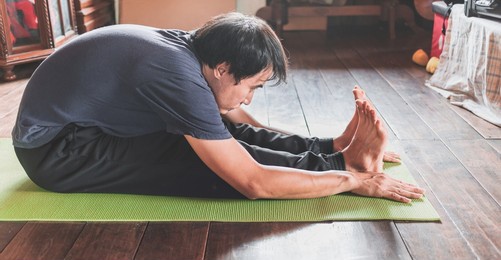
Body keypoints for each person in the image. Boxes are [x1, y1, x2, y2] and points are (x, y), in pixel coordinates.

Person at [12, 12, 425, 203]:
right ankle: (346, 163)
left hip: (82, 128)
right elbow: (254, 182)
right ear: (224, 69)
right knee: (203, 163)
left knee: (225, 131)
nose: (249, 97)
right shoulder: (177, 74)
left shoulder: (195, 53)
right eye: (252, 86)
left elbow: (240, 122)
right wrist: (350, 180)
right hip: (56, 152)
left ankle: (339, 155)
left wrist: (329, 145)